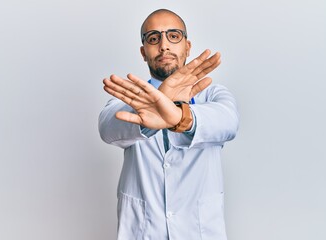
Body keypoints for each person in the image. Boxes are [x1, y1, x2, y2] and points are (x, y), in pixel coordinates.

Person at [99, 9, 239, 240]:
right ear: (144, 52)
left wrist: (179, 116)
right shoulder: (128, 99)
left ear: (188, 46)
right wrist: (152, 108)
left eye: (173, 36)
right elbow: (108, 129)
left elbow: (228, 123)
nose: (164, 45)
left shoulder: (213, 94)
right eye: (153, 38)